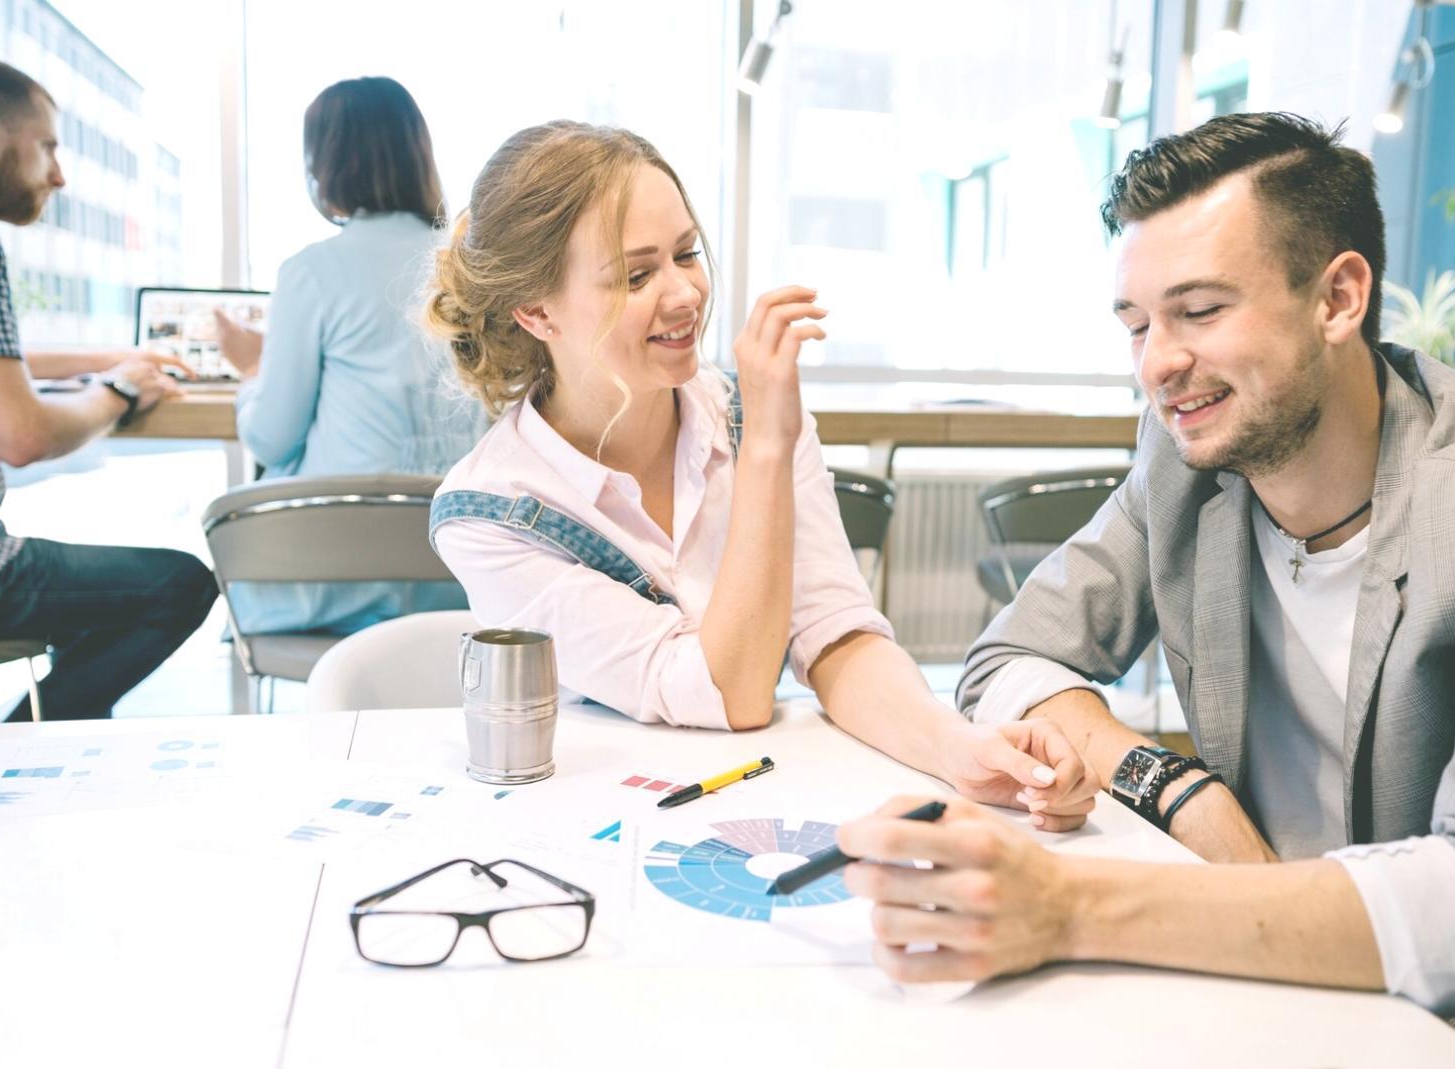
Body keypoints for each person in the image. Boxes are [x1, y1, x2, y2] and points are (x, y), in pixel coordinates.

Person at [839, 112, 1455, 1049]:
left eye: (1200, 312)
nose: (1158, 365)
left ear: (1338, 297)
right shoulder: (1188, 464)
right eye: (1138, 324)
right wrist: (1176, 787)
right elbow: (1009, 654)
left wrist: (1070, 905)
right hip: (1253, 990)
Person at [423, 120, 1094, 822]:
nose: (684, 294)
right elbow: (729, 691)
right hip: (595, 826)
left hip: (760, 800)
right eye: (637, 274)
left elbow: (836, 633)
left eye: (686, 254)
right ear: (536, 311)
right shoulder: (490, 512)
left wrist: (959, 748)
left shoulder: (747, 411)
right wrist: (767, 446)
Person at [0, 53, 218, 721]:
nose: (59, 174)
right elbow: (21, 434)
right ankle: (21, 751)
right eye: (48, 147)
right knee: (178, 585)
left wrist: (113, 355)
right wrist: (118, 390)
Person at [213, 77, 481, 636]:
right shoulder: (469, 267)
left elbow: (271, 437)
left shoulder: (312, 272)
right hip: (462, 573)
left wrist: (253, 368)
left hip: (339, 577)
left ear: (325, 166)